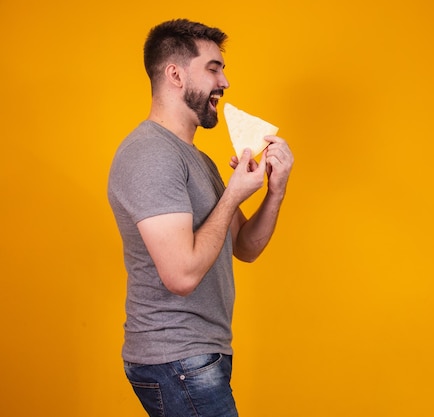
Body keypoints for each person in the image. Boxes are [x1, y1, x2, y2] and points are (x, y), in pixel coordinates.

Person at [107, 18, 293, 417]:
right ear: (175, 74)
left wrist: (274, 189)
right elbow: (182, 275)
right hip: (176, 358)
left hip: (198, 356)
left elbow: (245, 248)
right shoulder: (150, 154)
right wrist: (233, 196)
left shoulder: (197, 160)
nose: (224, 82)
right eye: (213, 68)